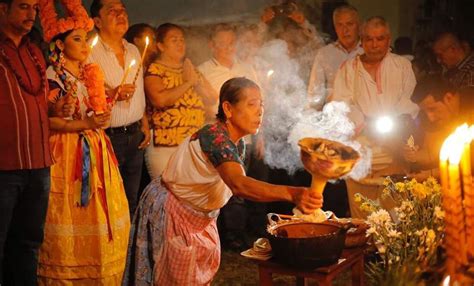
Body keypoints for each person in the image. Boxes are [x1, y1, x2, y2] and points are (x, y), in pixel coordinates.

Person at [123, 77, 322, 285]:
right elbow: (239, 185)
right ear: (228, 108)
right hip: (174, 212)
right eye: (251, 104)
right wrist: (293, 193)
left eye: (261, 104)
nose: (260, 111)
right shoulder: (214, 136)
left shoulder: (237, 143)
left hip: (197, 217)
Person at [35, 0, 130, 283]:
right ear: (60, 46)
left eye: (85, 39)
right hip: (66, 154)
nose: (84, 44)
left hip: (97, 147)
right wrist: (84, 123)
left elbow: (94, 111)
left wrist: (104, 110)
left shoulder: (90, 74)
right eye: (77, 39)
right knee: (69, 212)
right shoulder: (53, 76)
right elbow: (48, 120)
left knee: (103, 212)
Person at [331, 16, 419, 218]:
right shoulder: (348, 69)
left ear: (389, 40)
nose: (374, 44)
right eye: (369, 39)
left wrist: (392, 129)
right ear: (362, 40)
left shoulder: (402, 66)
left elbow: (409, 103)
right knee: (362, 217)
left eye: (380, 39)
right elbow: (341, 106)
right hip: (360, 152)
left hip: (394, 149)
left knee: (396, 217)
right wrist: (365, 124)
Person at [0, 0, 52, 284]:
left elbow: (37, 102)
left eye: (34, 7)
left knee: (29, 243)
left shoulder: (35, 51)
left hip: (39, 163)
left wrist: (58, 109)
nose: (31, 14)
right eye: (23, 6)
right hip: (4, 167)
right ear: (2, 9)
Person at [89, 0, 150, 217]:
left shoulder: (133, 50)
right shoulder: (89, 52)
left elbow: (139, 90)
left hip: (135, 134)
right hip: (107, 137)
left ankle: (129, 249)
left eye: (122, 10)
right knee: (108, 201)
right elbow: (85, 92)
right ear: (97, 21)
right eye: (112, 11)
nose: (120, 15)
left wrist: (144, 122)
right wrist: (111, 93)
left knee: (131, 199)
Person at [144, 23, 216, 179]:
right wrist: (188, 83)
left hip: (193, 144)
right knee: (167, 196)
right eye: (174, 40)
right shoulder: (154, 70)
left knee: (193, 196)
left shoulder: (190, 69)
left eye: (182, 40)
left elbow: (212, 98)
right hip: (166, 146)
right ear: (161, 46)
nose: (180, 43)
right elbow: (160, 100)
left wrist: (195, 82)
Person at [403, 77, 474, 179]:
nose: (430, 118)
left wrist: (431, 174)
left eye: (432, 109)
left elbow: (469, 162)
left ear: (448, 98)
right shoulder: (428, 118)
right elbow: (432, 153)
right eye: (425, 111)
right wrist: (413, 156)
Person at [198, 23, 258, 123]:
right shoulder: (202, 71)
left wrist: (260, 135)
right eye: (222, 44)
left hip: (245, 131)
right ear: (211, 45)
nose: (228, 48)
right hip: (216, 131)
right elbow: (199, 106)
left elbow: (257, 101)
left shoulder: (247, 68)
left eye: (231, 43)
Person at [307, 4, 363, 110]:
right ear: (335, 28)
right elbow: (315, 94)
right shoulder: (325, 54)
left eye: (349, 24)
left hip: (365, 118)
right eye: (340, 25)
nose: (345, 30)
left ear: (358, 25)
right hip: (335, 117)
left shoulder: (367, 51)